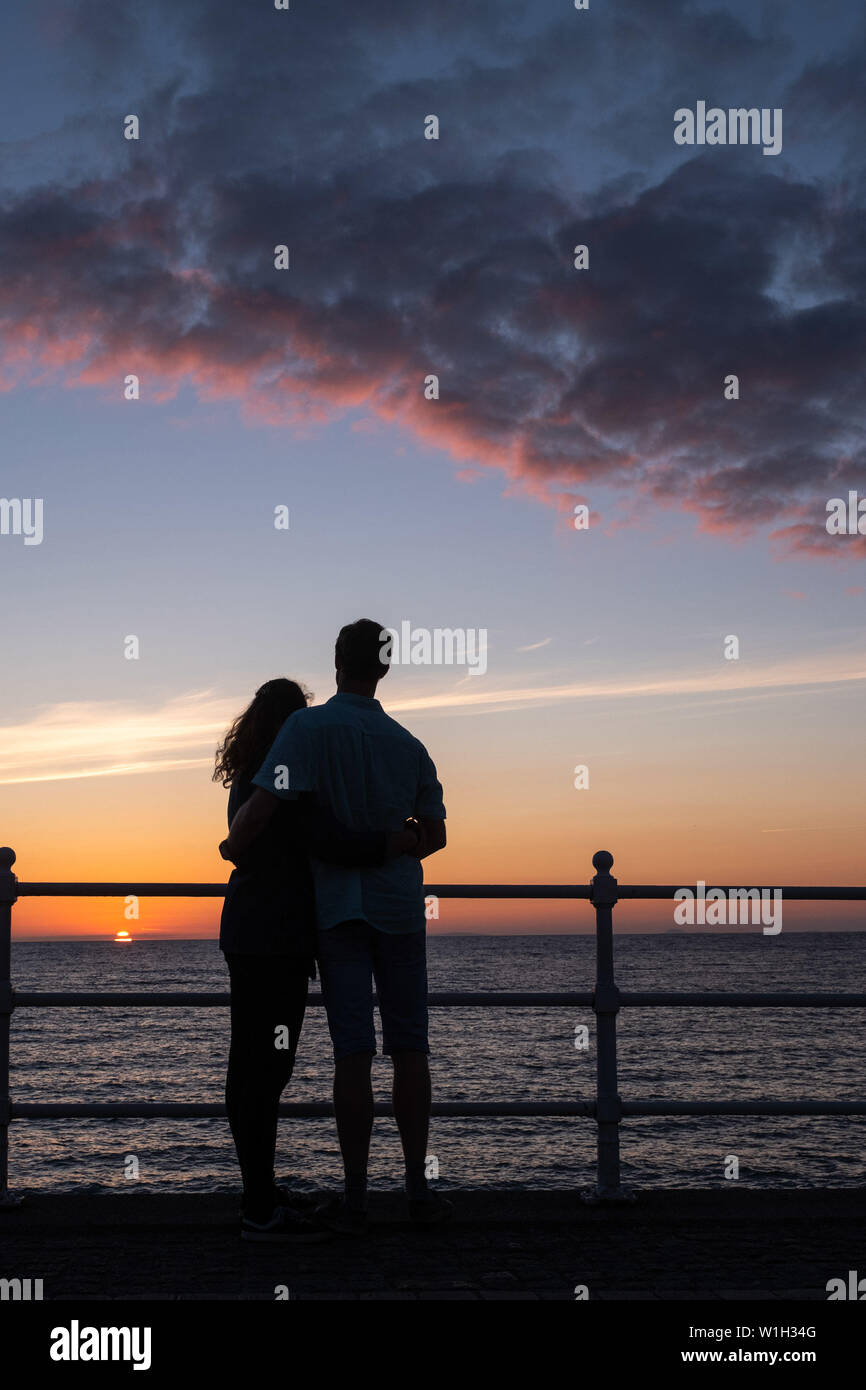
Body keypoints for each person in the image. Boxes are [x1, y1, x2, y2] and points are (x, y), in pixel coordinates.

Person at [220, 620, 448, 1233]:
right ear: (385, 668)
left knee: (352, 1053)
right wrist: (402, 841)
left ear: (337, 662)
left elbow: (265, 811)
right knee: (411, 1046)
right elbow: (438, 836)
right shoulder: (411, 744)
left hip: (334, 912)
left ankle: (354, 1197)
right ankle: (416, 1190)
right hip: (399, 908)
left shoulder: (305, 730)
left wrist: (230, 843)